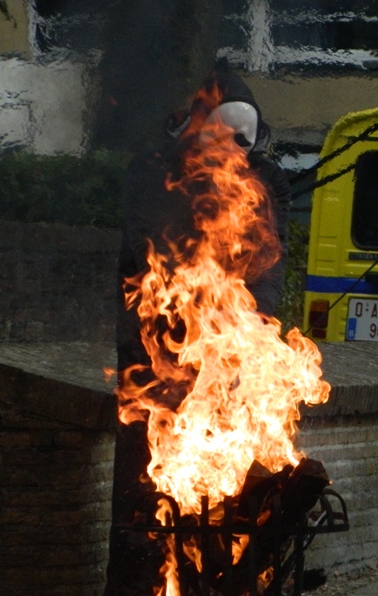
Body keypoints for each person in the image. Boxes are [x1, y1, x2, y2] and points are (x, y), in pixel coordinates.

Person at [105, 65, 291, 595]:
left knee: (224, 490)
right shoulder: (154, 173)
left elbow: (269, 265)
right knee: (146, 487)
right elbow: (146, 260)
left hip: (227, 359)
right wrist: (189, 327)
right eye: (221, 142)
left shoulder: (265, 183)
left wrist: (249, 327)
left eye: (241, 146)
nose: (231, 156)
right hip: (154, 358)